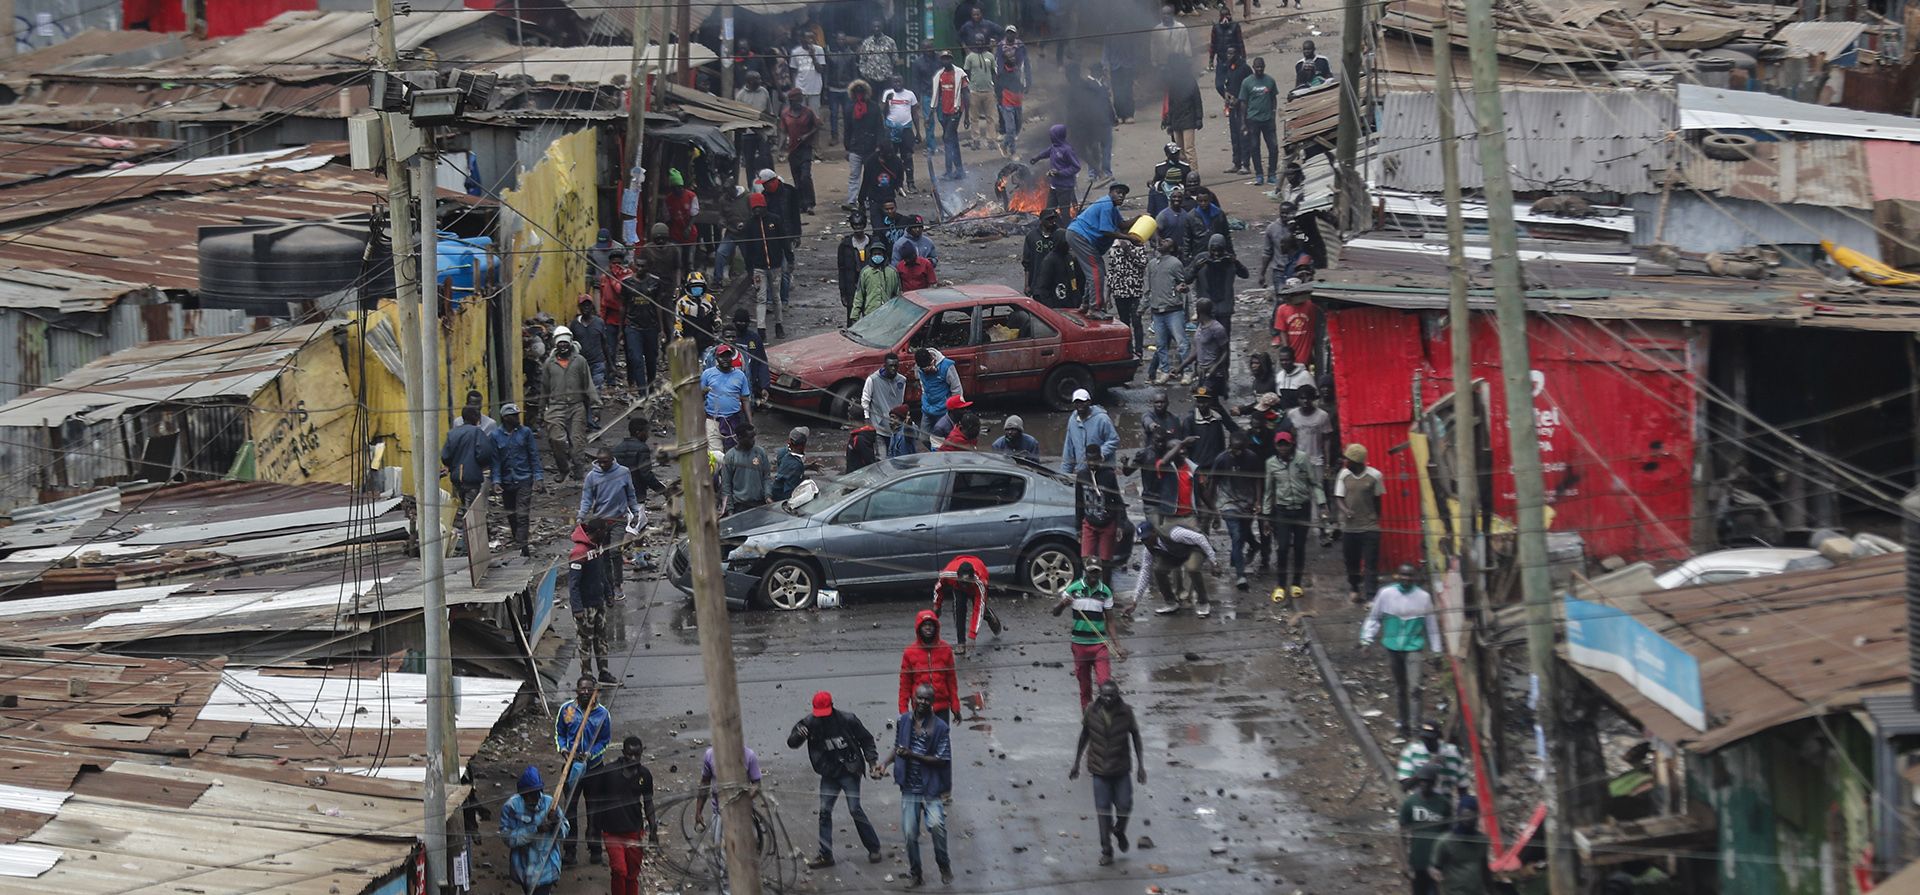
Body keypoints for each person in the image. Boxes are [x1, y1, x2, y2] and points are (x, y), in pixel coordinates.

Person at [789, 691, 884, 867]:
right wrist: (798, 735)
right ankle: (826, 855)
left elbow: (867, 740)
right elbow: (792, 743)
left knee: (855, 809)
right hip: (829, 773)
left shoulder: (848, 720)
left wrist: (872, 763)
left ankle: (874, 848)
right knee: (824, 811)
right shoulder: (809, 723)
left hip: (849, 770)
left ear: (832, 706)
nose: (823, 718)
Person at [878, 683, 953, 888]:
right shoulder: (903, 721)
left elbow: (941, 760)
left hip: (930, 787)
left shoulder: (940, 728)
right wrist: (884, 764)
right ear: (913, 698)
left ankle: (943, 864)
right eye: (919, 698)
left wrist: (913, 755)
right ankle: (916, 874)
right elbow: (898, 748)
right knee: (910, 833)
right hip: (909, 787)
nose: (922, 702)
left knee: (937, 826)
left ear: (933, 702)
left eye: (927, 699)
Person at [1068, 680, 1145, 866]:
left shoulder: (1126, 712)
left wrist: (1141, 766)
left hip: (1121, 770)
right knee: (1103, 812)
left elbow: (1136, 736)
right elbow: (1084, 735)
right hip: (1099, 771)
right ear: (1099, 695)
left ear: (1118, 695)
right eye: (1104, 695)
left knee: (1125, 806)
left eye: (1112, 695)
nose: (1108, 698)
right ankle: (1106, 851)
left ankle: (1119, 830)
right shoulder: (1091, 711)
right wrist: (1077, 763)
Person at [1363, 564, 1440, 737]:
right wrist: (1366, 640)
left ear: (1414, 578)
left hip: (1413, 648)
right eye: (1403, 575)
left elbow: (1432, 626)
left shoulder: (1423, 597)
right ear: (1397, 576)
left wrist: (1437, 651)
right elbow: (1374, 617)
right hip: (1392, 648)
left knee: (1415, 688)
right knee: (1400, 688)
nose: (1406, 579)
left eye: (1410, 576)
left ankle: (1415, 726)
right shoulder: (1386, 594)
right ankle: (1403, 723)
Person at [587, 735, 657, 895]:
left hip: (634, 831)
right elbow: (595, 802)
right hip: (612, 832)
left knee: (632, 875)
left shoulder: (644, 775)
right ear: (623, 752)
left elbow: (648, 802)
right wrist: (592, 828)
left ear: (641, 753)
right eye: (629, 754)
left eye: (637, 755)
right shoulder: (609, 772)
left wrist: (653, 827)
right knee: (619, 870)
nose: (633, 758)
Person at [554, 675, 612, 864]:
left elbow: (605, 741)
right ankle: (570, 851)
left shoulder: (602, 714)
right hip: (571, 767)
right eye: (582, 689)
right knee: (570, 809)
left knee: (594, 810)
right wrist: (563, 750)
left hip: (594, 768)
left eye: (589, 689)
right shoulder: (567, 709)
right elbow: (559, 733)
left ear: (595, 690)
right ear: (577, 691)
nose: (585, 692)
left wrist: (590, 754)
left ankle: (595, 849)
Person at [1264, 431, 1323, 603]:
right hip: (1282, 510)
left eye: (1286, 444)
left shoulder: (1302, 459)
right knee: (1282, 548)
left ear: (1292, 444)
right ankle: (1281, 585)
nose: (1283, 447)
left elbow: (1315, 483)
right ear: (1276, 446)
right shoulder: (1271, 463)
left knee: (1299, 547)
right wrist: (1266, 517)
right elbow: (1269, 491)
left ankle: (1296, 583)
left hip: (1302, 509)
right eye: (1280, 444)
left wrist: (1322, 504)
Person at [1052, 559, 1117, 708]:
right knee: (1085, 687)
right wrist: (1062, 604)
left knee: (1104, 684)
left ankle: (1104, 715)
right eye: (1091, 571)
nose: (1093, 575)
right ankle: (1089, 720)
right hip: (1079, 646)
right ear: (1085, 571)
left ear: (1100, 572)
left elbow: (1111, 621)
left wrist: (1117, 646)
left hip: (1099, 645)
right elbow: (1055, 613)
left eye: (1096, 572)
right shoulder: (1073, 589)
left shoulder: (1105, 592)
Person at [1207, 433, 1263, 591]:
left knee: (1243, 532)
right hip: (1227, 502)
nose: (1235, 453)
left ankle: (1252, 545)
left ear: (1245, 447)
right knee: (1237, 535)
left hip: (1247, 501)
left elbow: (1258, 479)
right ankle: (1240, 575)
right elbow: (1213, 483)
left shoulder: (1252, 458)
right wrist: (1213, 509)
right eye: (1233, 449)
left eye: (1239, 449)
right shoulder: (1221, 459)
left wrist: (1258, 501)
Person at [500, 765, 567, 894]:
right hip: (523, 868)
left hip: (546, 868)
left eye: (534, 794)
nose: (531, 799)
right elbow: (508, 839)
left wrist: (557, 823)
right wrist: (535, 830)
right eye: (527, 795)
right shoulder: (511, 807)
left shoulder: (550, 804)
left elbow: (564, 832)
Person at [1136, 515, 1218, 617]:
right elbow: (1145, 572)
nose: (1146, 542)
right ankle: (1171, 603)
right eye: (1143, 540)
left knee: (1192, 568)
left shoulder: (1173, 533)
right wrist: (1135, 601)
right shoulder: (1148, 549)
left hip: (1195, 548)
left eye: (1147, 538)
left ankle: (1203, 602)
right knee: (1158, 570)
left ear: (1154, 532)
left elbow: (1200, 538)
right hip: (1176, 553)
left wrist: (1213, 561)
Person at [1066, 183, 1129, 314]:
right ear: (1111, 192)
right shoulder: (1106, 204)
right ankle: (1095, 308)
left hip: (1079, 236)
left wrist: (1139, 218)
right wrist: (1130, 238)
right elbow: (1106, 231)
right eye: (1118, 192)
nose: (1121, 196)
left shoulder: (1113, 208)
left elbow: (1122, 225)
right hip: (1081, 236)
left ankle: (1086, 304)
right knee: (1095, 271)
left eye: (1123, 194)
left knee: (1096, 270)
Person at [543, 332, 597, 481]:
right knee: (556, 440)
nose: (563, 346)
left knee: (577, 441)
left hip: (576, 406)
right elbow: (544, 388)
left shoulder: (579, 361)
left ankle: (579, 470)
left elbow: (588, 383)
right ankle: (563, 468)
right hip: (555, 407)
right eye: (560, 343)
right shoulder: (549, 363)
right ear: (556, 345)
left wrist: (596, 403)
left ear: (570, 344)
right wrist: (542, 409)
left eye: (565, 343)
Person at [569, 519, 617, 684]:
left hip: (598, 603)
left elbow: (602, 573)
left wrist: (608, 594)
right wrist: (577, 608)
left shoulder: (597, 548)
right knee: (585, 642)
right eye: (604, 531)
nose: (606, 534)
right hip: (585, 606)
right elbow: (573, 585)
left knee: (601, 639)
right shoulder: (579, 552)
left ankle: (604, 672)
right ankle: (587, 676)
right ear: (598, 532)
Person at [1337, 443, 1386, 602]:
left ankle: (1371, 596)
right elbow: (1339, 497)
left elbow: (1378, 500)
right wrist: (1346, 511)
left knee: (1371, 563)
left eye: (1348, 460)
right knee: (1351, 560)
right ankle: (1354, 587)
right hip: (1349, 527)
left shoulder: (1375, 476)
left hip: (1369, 526)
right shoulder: (1343, 474)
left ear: (1357, 462)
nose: (1345, 463)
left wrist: (1374, 520)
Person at [490, 403, 541, 555]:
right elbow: (495, 461)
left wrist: (538, 477)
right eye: (514, 416)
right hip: (507, 481)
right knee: (512, 515)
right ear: (505, 418)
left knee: (522, 514)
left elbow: (534, 455)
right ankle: (519, 543)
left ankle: (521, 548)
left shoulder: (525, 433)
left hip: (524, 478)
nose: (518, 418)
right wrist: (496, 481)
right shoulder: (495, 436)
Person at [440, 405, 496, 534]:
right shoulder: (477, 432)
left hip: (457, 478)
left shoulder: (452, 433)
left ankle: (472, 536)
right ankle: (471, 541)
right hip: (472, 477)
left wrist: (453, 464)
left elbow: (445, 456)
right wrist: (479, 465)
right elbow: (485, 454)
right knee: (472, 510)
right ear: (475, 418)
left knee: (465, 505)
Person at [1185, 232, 1249, 343]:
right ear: (1209, 248)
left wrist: (1236, 263)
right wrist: (1196, 268)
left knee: (1223, 341)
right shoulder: (1201, 259)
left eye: (1219, 251)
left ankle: (1224, 360)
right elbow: (1187, 279)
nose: (1216, 254)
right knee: (1205, 342)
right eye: (1213, 250)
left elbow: (1245, 274)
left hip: (1224, 308)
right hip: (1206, 310)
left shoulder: (1229, 261)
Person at [1399, 764, 1453, 895]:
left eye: (1428, 781)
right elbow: (1402, 834)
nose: (1425, 784)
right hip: (1418, 861)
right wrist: (1404, 862)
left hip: (1437, 863)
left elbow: (1449, 835)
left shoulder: (1444, 803)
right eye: (1422, 781)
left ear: (1434, 783)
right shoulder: (1410, 803)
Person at [694, 743, 764, 844]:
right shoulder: (710, 755)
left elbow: (756, 784)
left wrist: (741, 799)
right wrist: (698, 811)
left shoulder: (749, 755)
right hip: (720, 814)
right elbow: (705, 783)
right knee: (720, 853)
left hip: (743, 815)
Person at [897, 610, 960, 722]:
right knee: (922, 739)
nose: (928, 628)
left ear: (936, 627)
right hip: (920, 708)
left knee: (942, 738)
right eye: (924, 625)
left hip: (942, 708)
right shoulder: (909, 652)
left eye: (930, 625)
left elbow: (951, 680)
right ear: (919, 628)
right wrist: (903, 710)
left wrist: (955, 705)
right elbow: (905, 684)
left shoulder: (946, 649)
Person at [933, 554, 1002, 656]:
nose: (965, 586)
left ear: (972, 577)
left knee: (980, 608)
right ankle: (961, 643)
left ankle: (990, 616)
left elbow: (978, 608)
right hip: (957, 586)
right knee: (958, 607)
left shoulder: (980, 581)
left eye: (967, 583)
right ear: (957, 576)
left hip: (976, 583)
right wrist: (937, 605)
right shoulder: (948, 574)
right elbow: (938, 588)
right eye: (963, 583)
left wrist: (972, 635)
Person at [1141, 238, 1187, 382]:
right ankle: (1165, 371)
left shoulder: (1175, 263)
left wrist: (1182, 288)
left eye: (1168, 241)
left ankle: (1188, 372)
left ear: (1172, 248)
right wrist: (1142, 307)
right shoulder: (1152, 264)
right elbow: (1148, 289)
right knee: (1160, 345)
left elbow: (1183, 283)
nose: (1163, 241)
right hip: (1157, 310)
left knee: (1182, 343)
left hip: (1173, 309)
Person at [1076, 458, 1126, 586]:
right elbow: (1079, 503)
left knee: (1105, 562)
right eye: (1090, 459)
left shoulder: (1108, 475)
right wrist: (1078, 528)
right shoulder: (1082, 475)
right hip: (1089, 522)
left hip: (1108, 523)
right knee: (1087, 559)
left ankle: (1106, 592)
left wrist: (1120, 525)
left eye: (1095, 459)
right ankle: (1090, 590)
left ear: (1100, 458)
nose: (1093, 462)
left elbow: (1118, 501)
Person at [1429, 794, 1490, 895]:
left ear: (1476, 817)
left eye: (1471, 817)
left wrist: (1491, 890)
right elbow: (1434, 868)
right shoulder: (1444, 841)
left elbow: (1485, 869)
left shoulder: (1482, 840)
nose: (1468, 820)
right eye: (1465, 816)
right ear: (1458, 815)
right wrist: (1435, 874)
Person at [1068, 62, 1118, 182]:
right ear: (1096, 72)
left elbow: (1108, 104)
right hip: (1093, 124)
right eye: (1102, 71)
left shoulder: (1102, 85)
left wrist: (1113, 117)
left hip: (1104, 122)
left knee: (1103, 148)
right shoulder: (1088, 86)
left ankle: (1102, 172)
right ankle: (1096, 173)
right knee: (1095, 148)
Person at [700, 343, 753, 453]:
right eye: (721, 356)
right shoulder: (707, 374)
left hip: (733, 420)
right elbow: (698, 396)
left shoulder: (740, 375)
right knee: (715, 455)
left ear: (731, 357)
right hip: (713, 420)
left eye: (727, 356)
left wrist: (750, 422)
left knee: (733, 453)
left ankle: (728, 470)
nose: (725, 359)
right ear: (716, 358)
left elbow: (745, 399)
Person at [1172, 298, 1231, 394]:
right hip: (1202, 373)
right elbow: (1196, 352)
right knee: (1204, 402)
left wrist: (1214, 367)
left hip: (1213, 375)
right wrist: (1180, 367)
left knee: (1204, 399)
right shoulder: (1200, 327)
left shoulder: (1216, 328)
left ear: (1199, 311)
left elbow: (1225, 351)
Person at [1238, 57, 1282, 184]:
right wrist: (1243, 122)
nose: (1259, 69)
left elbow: (1273, 98)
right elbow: (1243, 103)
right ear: (1253, 67)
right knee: (1254, 147)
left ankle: (1272, 174)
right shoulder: (1247, 82)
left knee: (1273, 147)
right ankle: (1259, 174)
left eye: (1261, 67)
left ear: (1264, 66)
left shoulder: (1270, 81)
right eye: (1257, 67)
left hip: (1267, 119)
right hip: (1253, 120)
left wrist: (1273, 114)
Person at [1397, 721, 1469, 796]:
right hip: (1419, 800)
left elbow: (1463, 785)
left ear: (1438, 737)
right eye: (1424, 738)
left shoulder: (1452, 752)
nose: (1427, 742)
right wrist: (1426, 769)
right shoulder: (1412, 751)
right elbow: (1404, 786)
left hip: (1444, 801)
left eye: (1430, 738)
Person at [928, 50, 969, 180]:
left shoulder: (959, 74)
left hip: (955, 111)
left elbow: (966, 94)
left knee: (947, 138)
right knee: (953, 140)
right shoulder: (939, 76)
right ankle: (959, 170)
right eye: (943, 59)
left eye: (948, 58)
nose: (946, 61)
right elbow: (936, 96)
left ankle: (949, 171)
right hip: (944, 111)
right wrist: (930, 114)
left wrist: (967, 115)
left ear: (951, 59)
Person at [1104, 221, 1150, 335]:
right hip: (1119, 292)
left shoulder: (1139, 246)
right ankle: (1128, 349)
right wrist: (1108, 295)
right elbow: (1111, 271)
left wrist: (1128, 251)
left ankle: (1138, 350)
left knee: (1136, 321)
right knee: (1124, 323)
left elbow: (1143, 264)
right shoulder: (1114, 248)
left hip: (1135, 291)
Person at [1061, 388, 1120, 474]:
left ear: (1089, 402)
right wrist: (1065, 473)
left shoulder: (1102, 419)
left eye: (1083, 402)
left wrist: (1098, 454)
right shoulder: (1073, 420)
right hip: (1083, 471)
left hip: (1103, 470)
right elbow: (1069, 448)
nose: (1080, 405)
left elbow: (1114, 440)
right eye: (1077, 402)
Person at [780, 88, 820, 214]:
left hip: (805, 147)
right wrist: (782, 146)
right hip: (792, 149)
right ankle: (801, 204)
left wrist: (807, 135)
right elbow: (783, 131)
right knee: (797, 178)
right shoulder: (785, 114)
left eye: (797, 101)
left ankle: (809, 203)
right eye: (793, 101)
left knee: (805, 176)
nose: (795, 103)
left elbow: (817, 125)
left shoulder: (808, 112)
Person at [880, 74, 922, 194]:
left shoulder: (910, 95)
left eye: (899, 82)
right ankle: (895, 184)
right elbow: (883, 112)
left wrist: (918, 132)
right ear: (891, 83)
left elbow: (915, 114)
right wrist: (888, 100)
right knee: (890, 157)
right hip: (891, 129)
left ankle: (910, 183)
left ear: (903, 82)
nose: (897, 84)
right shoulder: (888, 93)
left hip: (906, 129)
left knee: (907, 157)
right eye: (895, 82)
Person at [611, 416, 666, 506]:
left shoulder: (617, 448)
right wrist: (662, 490)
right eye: (646, 432)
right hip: (636, 494)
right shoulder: (642, 448)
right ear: (638, 433)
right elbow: (646, 474)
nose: (648, 435)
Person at [845, 79, 883, 208]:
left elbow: (879, 127)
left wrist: (879, 145)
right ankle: (851, 201)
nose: (859, 94)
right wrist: (847, 148)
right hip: (855, 147)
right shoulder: (849, 108)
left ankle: (867, 200)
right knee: (854, 175)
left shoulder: (874, 107)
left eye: (861, 91)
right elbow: (847, 129)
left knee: (870, 176)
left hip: (871, 147)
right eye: (856, 92)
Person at [1030, 124, 1083, 215]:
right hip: (1054, 185)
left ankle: (1066, 228)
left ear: (1059, 135)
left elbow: (1076, 167)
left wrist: (1060, 173)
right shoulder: (1054, 146)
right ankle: (1049, 228)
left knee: (1064, 212)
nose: (1051, 137)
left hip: (1065, 187)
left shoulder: (1067, 150)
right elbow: (1047, 152)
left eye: (1052, 135)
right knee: (1049, 211)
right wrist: (1037, 158)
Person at [720, 424, 771, 515]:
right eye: (750, 438)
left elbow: (766, 477)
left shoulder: (760, 453)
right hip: (740, 506)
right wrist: (730, 509)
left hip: (760, 503)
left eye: (754, 437)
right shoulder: (730, 457)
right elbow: (726, 485)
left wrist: (768, 495)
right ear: (740, 438)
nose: (753, 440)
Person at [1162, 67, 1205, 174]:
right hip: (1177, 120)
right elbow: (1170, 104)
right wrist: (1169, 122)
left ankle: (1194, 172)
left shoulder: (1190, 82)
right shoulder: (1173, 84)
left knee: (1189, 148)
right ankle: (1184, 172)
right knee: (1179, 150)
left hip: (1188, 119)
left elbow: (1197, 101)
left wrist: (1199, 118)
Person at [995, 26, 1029, 157]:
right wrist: (1000, 101)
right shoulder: (1001, 74)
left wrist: (1027, 85)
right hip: (1007, 103)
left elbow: (1026, 68)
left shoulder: (1019, 72)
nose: (1011, 56)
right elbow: (998, 88)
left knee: (1018, 128)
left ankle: (1004, 144)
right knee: (1011, 129)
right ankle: (1012, 152)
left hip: (1017, 101)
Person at [859, 354, 909, 441]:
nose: (893, 368)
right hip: (879, 428)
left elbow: (902, 401)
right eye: (891, 366)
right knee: (882, 454)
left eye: (895, 366)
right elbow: (865, 400)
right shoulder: (873, 380)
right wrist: (867, 419)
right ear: (884, 366)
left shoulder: (902, 380)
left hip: (896, 428)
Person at [914, 347, 964, 433]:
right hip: (927, 408)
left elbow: (956, 389)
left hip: (943, 410)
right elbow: (923, 386)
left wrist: (955, 409)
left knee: (943, 437)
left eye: (928, 367)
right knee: (923, 437)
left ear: (932, 359)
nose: (928, 370)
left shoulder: (946, 366)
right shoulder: (919, 369)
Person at [734, 70, 775, 172]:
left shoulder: (764, 91)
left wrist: (772, 130)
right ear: (749, 81)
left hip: (763, 131)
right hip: (748, 133)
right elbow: (738, 116)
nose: (760, 81)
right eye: (757, 79)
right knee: (749, 161)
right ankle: (751, 185)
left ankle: (770, 182)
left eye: (760, 78)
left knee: (765, 158)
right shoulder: (740, 95)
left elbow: (769, 111)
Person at [1219, 48, 1252, 175]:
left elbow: (1250, 87)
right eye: (1227, 53)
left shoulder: (1244, 69)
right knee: (1234, 136)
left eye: (1232, 53)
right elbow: (1227, 84)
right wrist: (1227, 95)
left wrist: (1240, 99)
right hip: (1232, 107)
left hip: (1243, 107)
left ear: (1237, 54)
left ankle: (1246, 164)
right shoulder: (1229, 67)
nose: (1229, 56)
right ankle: (1236, 163)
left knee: (1243, 135)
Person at [837, 217, 875, 324]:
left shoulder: (873, 242)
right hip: (852, 286)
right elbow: (841, 270)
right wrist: (843, 292)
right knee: (853, 319)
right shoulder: (845, 245)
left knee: (871, 317)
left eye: (860, 225)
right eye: (855, 225)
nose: (858, 228)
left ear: (864, 225)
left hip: (870, 285)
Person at [1271, 286, 1320, 366]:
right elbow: (1282, 331)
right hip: (1293, 347)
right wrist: (1287, 349)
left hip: (1307, 348)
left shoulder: (1311, 306)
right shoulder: (1282, 309)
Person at [851, 243, 901, 321]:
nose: (877, 256)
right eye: (875, 254)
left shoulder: (892, 272)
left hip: (887, 314)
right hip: (870, 314)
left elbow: (898, 295)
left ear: (884, 255)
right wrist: (854, 316)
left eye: (879, 254)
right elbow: (859, 296)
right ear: (871, 255)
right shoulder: (865, 272)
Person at [1033, 232, 1083, 309]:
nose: (1069, 245)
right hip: (1057, 304)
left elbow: (1080, 280)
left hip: (1072, 304)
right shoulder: (1049, 261)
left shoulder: (1070, 258)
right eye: (1066, 243)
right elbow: (1042, 289)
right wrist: (1051, 307)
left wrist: (1079, 299)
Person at [961, 40, 996, 151]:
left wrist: (993, 85)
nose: (980, 43)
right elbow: (966, 72)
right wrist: (969, 87)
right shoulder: (970, 57)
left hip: (989, 90)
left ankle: (991, 140)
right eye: (978, 41)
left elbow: (993, 71)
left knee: (990, 117)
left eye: (982, 41)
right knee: (974, 117)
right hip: (974, 91)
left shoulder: (990, 56)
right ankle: (976, 140)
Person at [1020, 209, 1062, 296]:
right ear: (1041, 220)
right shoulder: (1032, 236)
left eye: (1053, 218)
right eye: (1048, 219)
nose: (1052, 221)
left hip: (1057, 280)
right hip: (1037, 281)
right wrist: (1027, 285)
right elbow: (1027, 263)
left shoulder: (1059, 235)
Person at [572, 298, 610, 391]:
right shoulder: (574, 324)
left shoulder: (599, 322)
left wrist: (610, 364)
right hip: (581, 363)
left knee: (596, 389)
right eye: (583, 305)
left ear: (592, 307)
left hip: (597, 362)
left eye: (588, 305)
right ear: (579, 307)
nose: (586, 308)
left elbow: (604, 343)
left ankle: (595, 404)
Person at [674, 271, 718, 352]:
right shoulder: (682, 302)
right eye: (694, 287)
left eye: (699, 287)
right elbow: (678, 322)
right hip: (689, 343)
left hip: (707, 341)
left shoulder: (710, 299)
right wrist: (679, 338)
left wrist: (717, 323)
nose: (697, 289)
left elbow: (716, 315)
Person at [1209, 8, 1246, 94]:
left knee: (1234, 84)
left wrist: (1243, 57)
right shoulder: (1216, 27)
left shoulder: (1235, 26)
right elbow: (1213, 44)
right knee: (1219, 85)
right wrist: (1211, 60)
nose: (1225, 19)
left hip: (1233, 62)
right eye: (1223, 16)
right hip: (1221, 61)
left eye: (1227, 16)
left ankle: (1234, 101)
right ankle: (1227, 98)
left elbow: (1240, 42)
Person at [1149, 143, 1193, 217]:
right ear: (1167, 154)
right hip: (1164, 198)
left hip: (1180, 198)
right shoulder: (1160, 167)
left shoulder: (1185, 167)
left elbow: (1188, 186)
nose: (1176, 156)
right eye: (1173, 154)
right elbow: (1156, 182)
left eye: (1177, 153)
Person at [770, 426, 810, 501]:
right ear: (803, 445)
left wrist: (807, 467)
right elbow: (789, 491)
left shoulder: (783, 452)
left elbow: (786, 469)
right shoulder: (796, 464)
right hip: (782, 498)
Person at [857, 20, 899, 87]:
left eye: (878, 27)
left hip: (886, 78)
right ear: (871, 28)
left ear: (882, 28)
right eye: (874, 27)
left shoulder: (890, 42)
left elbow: (896, 60)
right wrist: (865, 75)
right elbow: (862, 60)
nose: (876, 29)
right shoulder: (866, 43)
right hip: (871, 79)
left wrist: (891, 74)